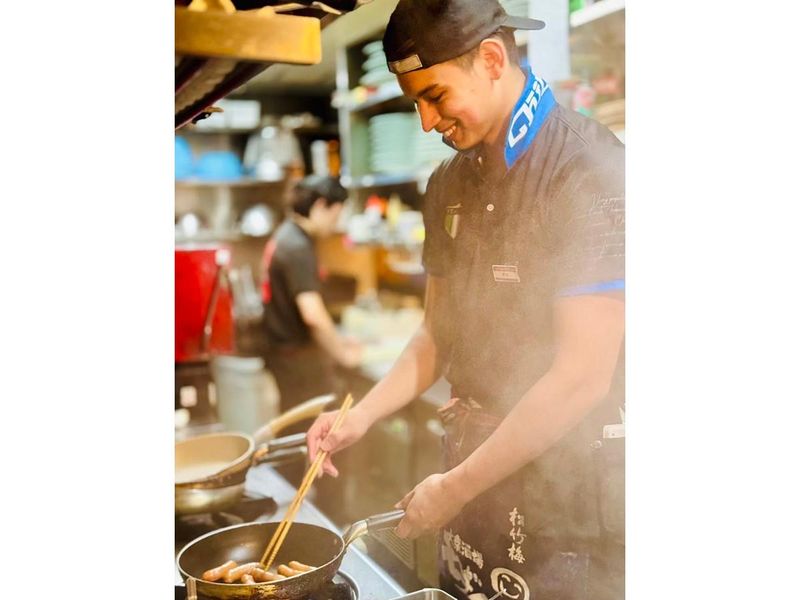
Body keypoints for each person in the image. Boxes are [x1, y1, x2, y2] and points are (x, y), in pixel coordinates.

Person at [307, 1, 625, 599]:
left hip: (566, 501)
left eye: (435, 96)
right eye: (416, 104)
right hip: (471, 475)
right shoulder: (448, 183)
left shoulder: (587, 168)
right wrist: (361, 416)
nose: (427, 123)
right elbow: (437, 334)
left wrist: (453, 487)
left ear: (492, 59)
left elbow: (581, 377)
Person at [261, 175, 363, 412]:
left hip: (283, 354)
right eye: (335, 215)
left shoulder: (286, 234)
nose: (335, 225)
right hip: (298, 361)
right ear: (320, 205)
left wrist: (337, 339)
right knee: (310, 427)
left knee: (296, 423)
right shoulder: (298, 247)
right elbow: (313, 314)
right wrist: (343, 354)